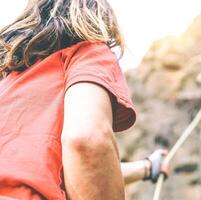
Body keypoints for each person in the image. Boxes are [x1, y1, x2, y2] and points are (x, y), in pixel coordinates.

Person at [0, 0, 168, 199]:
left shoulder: (8, 82)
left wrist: (148, 167)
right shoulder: (86, 54)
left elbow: (81, 169)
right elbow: (87, 142)